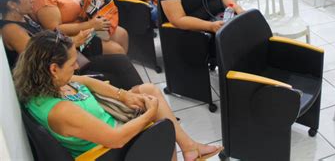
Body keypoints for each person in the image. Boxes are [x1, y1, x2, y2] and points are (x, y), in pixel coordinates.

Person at [13, 31, 223, 160]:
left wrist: (122, 96)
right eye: (71, 63)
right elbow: (116, 140)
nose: (77, 67)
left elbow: (86, 81)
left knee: (149, 90)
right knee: (162, 127)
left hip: (109, 121)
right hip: (110, 151)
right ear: (53, 68)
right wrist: (149, 115)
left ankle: (188, 147)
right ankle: (184, 149)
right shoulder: (60, 110)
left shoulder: (45, 83)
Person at [0, 0, 142, 90]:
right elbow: (40, 60)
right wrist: (74, 42)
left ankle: (140, 97)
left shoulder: (24, 17)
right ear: (12, 5)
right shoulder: (11, 30)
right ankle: (138, 99)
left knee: (120, 60)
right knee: (118, 71)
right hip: (54, 79)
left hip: (65, 62)